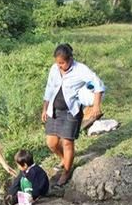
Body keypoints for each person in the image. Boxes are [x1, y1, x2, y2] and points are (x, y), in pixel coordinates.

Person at [42, 43, 105, 186]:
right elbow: (49, 88)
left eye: (62, 63)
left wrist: (96, 105)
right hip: (54, 110)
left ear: (70, 59)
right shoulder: (54, 69)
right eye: (57, 63)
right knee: (51, 143)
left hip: (71, 111)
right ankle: (64, 159)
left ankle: (66, 171)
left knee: (67, 142)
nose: (60, 66)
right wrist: (45, 108)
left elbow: (98, 84)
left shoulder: (80, 70)